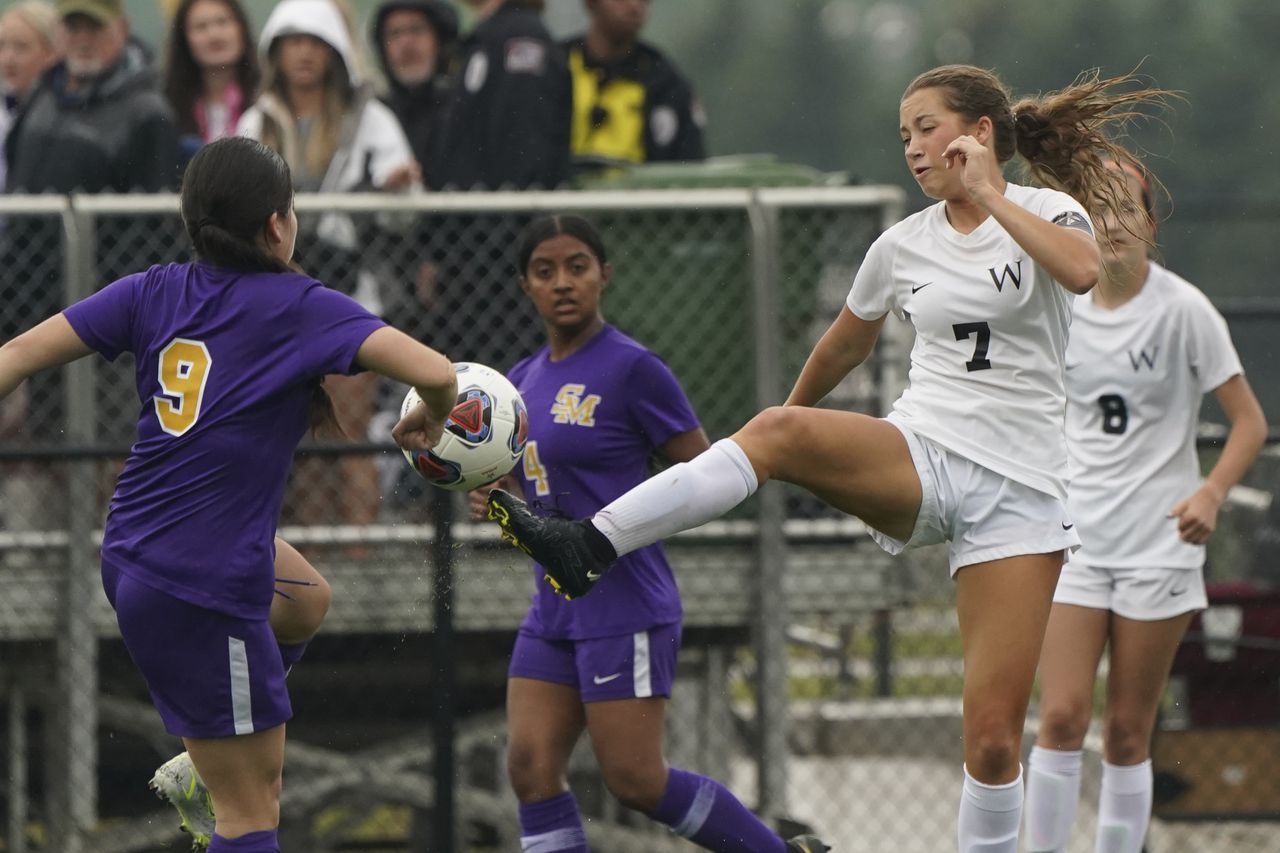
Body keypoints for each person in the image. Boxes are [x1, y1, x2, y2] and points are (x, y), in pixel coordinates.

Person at [486, 65, 1178, 853]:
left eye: (926, 128)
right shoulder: (902, 245)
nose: (913, 149)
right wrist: (784, 429)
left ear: (981, 133)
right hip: (924, 454)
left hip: (1021, 496)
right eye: (904, 136)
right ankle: (590, 540)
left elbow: (1083, 273)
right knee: (778, 431)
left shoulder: (1046, 211)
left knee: (990, 744)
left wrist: (989, 194)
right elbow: (845, 342)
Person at [0, 136, 457, 853]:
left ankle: (207, 749)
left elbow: (16, 354)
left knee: (304, 597)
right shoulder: (300, 304)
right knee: (253, 811)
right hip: (204, 581)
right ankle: (216, 760)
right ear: (278, 225)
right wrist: (430, 412)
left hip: (135, 549)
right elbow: (437, 370)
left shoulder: (153, 289)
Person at [468, 214, 827, 853]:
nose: (563, 283)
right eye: (544, 271)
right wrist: (499, 502)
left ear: (604, 274)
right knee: (529, 768)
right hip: (552, 609)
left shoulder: (633, 370)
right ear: (524, 285)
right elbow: (534, 496)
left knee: (634, 778)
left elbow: (705, 472)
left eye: (577, 266)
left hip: (625, 604)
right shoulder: (516, 384)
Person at [1021, 162, 1266, 853]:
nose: (1112, 222)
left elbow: (1247, 421)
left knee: (1129, 730)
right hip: (1074, 543)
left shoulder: (1184, 310)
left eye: (1125, 207)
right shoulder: (1058, 306)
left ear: (1150, 221)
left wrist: (1211, 492)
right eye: (1096, 208)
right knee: (1062, 717)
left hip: (1159, 547)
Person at [240, 0, 421, 534]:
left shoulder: (370, 119)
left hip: (347, 295)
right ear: (276, 51)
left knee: (349, 431)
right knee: (299, 439)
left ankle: (360, 557)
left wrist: (392, 191)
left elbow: (405, 212)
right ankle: (316, 557)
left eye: (315, 43)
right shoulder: (259, 120)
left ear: (334, 53)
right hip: (273, 296)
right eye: (293, 42)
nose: (304, 54)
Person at [5, 0, 180, 193]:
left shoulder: (147, 112)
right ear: (58, 30)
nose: (83, 39)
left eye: (94, 27)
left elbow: (158, 213)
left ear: (123, 28)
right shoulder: (40, 93)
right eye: (72, 27)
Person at [433, 0, 571, 190]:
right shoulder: (488, 36)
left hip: (502, 210)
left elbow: (523, 144)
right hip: (474, 208)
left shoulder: (520, 36)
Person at [562, 0, 706, 180]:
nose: (634, 6)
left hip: (638, 204)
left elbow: (691, 169)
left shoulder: (667, 83)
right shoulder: (554, 66)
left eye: (645, 0)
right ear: (591, 3)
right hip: (559, 203)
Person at [371, 0, 458, 190]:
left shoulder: (463, 107)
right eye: (395, 33)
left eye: (417, 30)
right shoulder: (371, 114)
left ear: (439, 41)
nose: (406, 42)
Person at [162, 0, 259, 166]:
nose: (214, 35)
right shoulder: (167, 108)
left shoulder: (266, 100)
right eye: (201, 27)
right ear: (184, 39)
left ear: (241, 29)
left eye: (222, 22)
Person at [0, 1, 61, 192]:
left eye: (21, 47)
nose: (8, 58)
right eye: (1, 46)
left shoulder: (63, 115)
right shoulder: (4, 110)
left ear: (51, 52)